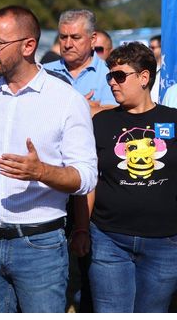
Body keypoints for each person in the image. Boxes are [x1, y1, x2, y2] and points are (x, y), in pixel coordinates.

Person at [0, 5, 98, 313]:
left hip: (39, 246)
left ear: (28, 46)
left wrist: (42, 171)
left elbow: (86, 177)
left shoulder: (66, 100)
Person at [71, 42, 177, 312]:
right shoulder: (101, 123)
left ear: (144, 77)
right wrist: (82, 229)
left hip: (165, 242)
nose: (113, 83)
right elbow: (89, 181)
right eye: (110, 76)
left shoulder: (173, 120)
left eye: (119, 76)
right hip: (108, 239)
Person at [43, 9, 116, 115]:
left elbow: (111, 115)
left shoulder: (109, 73)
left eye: (75, 37)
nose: (68, 44)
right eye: (63, 37)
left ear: (93, 39)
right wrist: (83, 106)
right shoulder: (44, 71)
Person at [149, 35, 162, 103]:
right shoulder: (147, 67)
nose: (150, 50)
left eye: (153, 47)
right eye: (149, 47)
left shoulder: (170, 70)